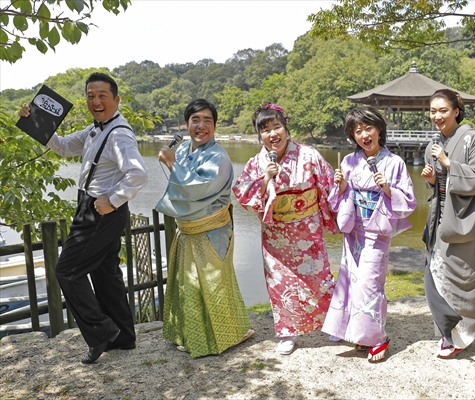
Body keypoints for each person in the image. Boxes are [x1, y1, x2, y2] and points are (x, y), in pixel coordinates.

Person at [18, 72, 148, 364]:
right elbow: (63, 147)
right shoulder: (95, 130)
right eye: (90, 96)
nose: (95, 101)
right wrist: (33, 121)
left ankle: (101, 331)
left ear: (116, 99)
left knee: (67, 271)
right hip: (94, 206)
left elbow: (139, 173)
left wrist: (112, 200)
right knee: (105, 273)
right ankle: (124, 336)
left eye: (102, 95)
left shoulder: (119, 134)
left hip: (101, 210)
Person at [232, 103, 337, 355]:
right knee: (281, 283)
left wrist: (333, 210)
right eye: (266, 130)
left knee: (320, 279)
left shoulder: (309, 154)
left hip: (308, 231)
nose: (272, 134)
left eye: (277, 126)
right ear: (259, 135)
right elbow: (242, 194)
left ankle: (334, 323)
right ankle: (289, 333)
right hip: (276, 235)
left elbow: (328, 184)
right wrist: (266, 179)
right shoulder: (257, 163)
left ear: (286, 128)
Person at [155, 99, 253, 358]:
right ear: (186, 124)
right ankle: (192, 334)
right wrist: (175, 161)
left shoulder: (218, 157)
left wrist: (172, 164)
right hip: (189, 230)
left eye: (207, 120)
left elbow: (196, 189)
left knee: (213, 284)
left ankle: (225, 337)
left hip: (211, 231)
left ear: (215, 126)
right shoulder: (187, 147)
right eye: (195, 120)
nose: (201, 126)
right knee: (189, 285)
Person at [321, 106, 416, 363]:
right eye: (358, 131)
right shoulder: (349, 161)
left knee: (370, 284)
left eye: (368, 128)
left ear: (379, 129)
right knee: (350, 282)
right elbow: (336, 199)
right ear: (353, 136)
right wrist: (341, 186)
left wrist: (387, 188)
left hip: (376, 232)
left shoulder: (395, 162)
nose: (364, 135)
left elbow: (408, 200)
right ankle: (359, 334)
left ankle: (378, 338)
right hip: (353, 231)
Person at [421, 89, 475, 358]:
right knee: (437, 273)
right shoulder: (433, 144)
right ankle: (446, 330)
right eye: (433, 111)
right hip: (441, 216)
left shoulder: (472, 138)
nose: (437, 116)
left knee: (464, 277)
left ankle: (462, 334)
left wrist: (449, 163)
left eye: (443, 110)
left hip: (466, 217)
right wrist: (431, 180)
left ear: (456, 112)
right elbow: (439, 186)